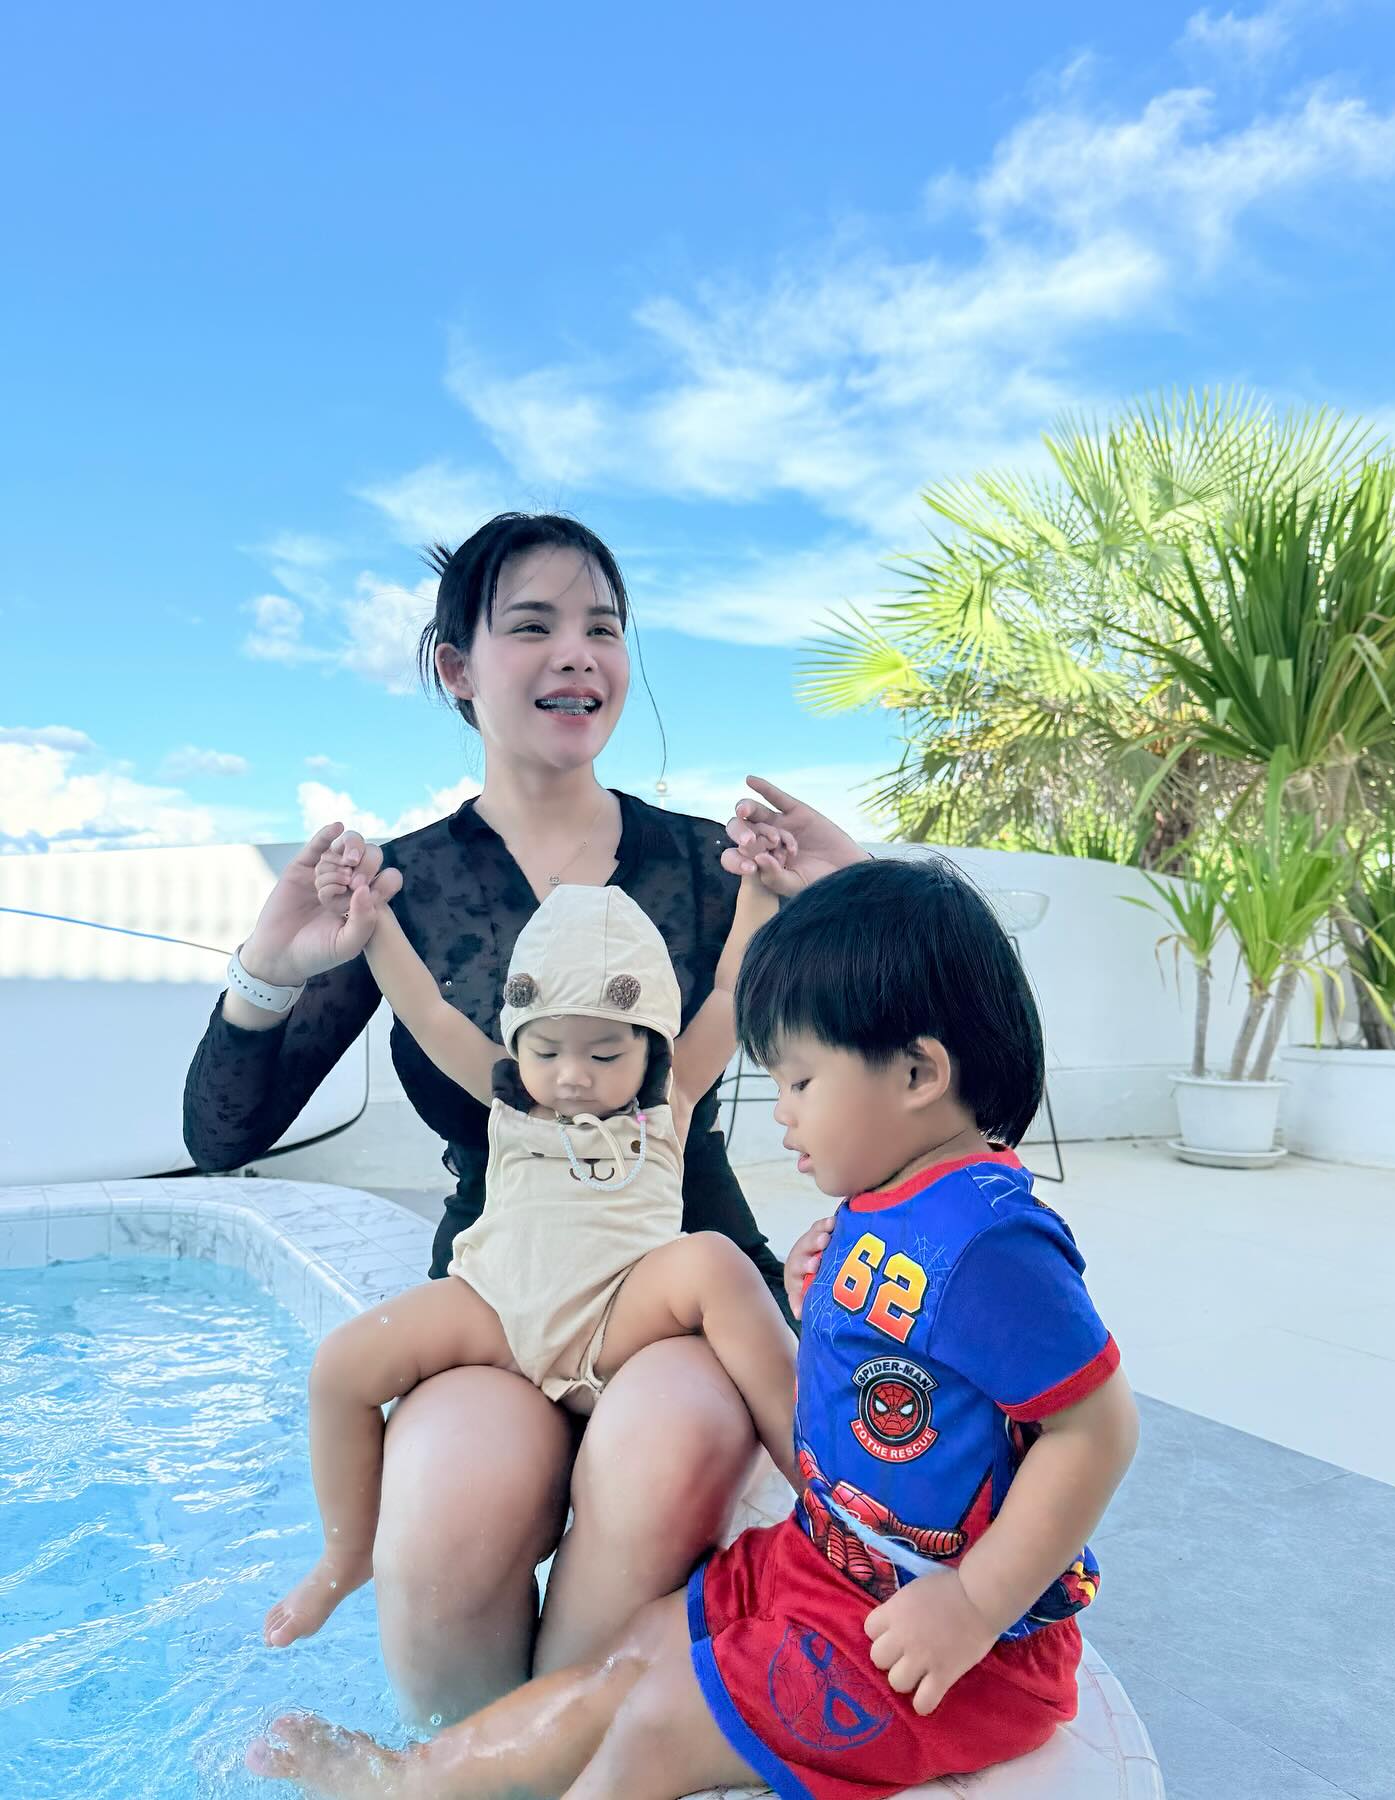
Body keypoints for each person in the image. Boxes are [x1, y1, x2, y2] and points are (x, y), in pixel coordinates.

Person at [247, 855, 1140, 1800]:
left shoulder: (992, 1242)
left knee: (654, 1725)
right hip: (828, 1569)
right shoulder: (891, 1204)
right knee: (633, 1649)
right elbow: (909, 1366)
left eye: (800, 1081)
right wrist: (814, 1292)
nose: (781, 1114)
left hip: (947, 1638)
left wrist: (972, 1603)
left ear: (919, 1072)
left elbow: (1098, 1428)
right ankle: (419, 1777)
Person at [183, 510, 871, 1719]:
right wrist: (270, 966)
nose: (576, 655)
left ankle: (531, 1764)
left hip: (678, 1291)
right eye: (534, 626)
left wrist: (856, 899)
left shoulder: (717, 865)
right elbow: (222, 1135)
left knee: (666, 1453)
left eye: (603, 627)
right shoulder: (397, 891)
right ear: (458, 666)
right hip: (498, 1293)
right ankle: (471, 1759)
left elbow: (923, 1073)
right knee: (444, 1507)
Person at [263, 872, 798, 1649]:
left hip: (619, 1312)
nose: (573, 1074)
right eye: (547, 1050)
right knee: (339, 1365)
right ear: (520, 1041)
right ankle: (346, 1556)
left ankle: (817, 1479)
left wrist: (757, 891)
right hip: (497, 1308)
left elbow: (726, 990)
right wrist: (372, 921)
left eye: (604, 1053)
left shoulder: (668, 1101)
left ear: (650, 1045)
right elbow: (427, 1008)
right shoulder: (506, 1100)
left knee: (715, 1261)